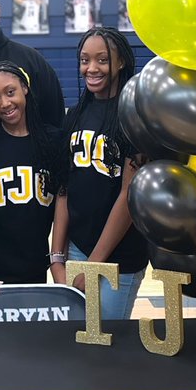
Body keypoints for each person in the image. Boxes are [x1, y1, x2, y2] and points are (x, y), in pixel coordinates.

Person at [50, 26, 148, 320]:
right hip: (78, 249)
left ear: (121, 62)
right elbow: (64, 188)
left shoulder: (134, 116)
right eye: (85, 60)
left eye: (102, 60)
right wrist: (57, 257)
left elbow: (129, 196)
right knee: (77, 335)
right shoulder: (75, 114)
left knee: (106, 337)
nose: (91, 68)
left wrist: (94, 265)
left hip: (119, 257)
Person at [0, 62, 65, 284]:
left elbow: (63, 201)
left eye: (10, 92)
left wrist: (57, 258)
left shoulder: (53, 141)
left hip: (36, 267)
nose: (5, 103)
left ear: (24, 88)